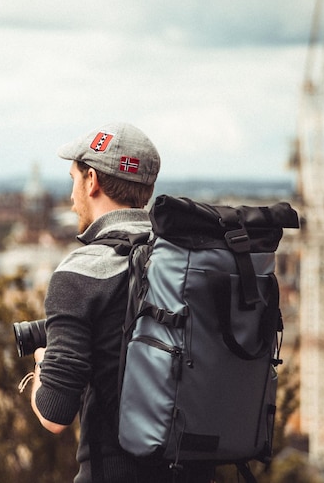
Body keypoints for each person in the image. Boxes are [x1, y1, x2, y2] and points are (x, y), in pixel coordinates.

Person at [29, 122, 213, 482]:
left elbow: (54, 413)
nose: (71, 197)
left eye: (73, 179)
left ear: (92, 180)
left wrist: (41, 363)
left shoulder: (82, 270)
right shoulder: (186, 260)